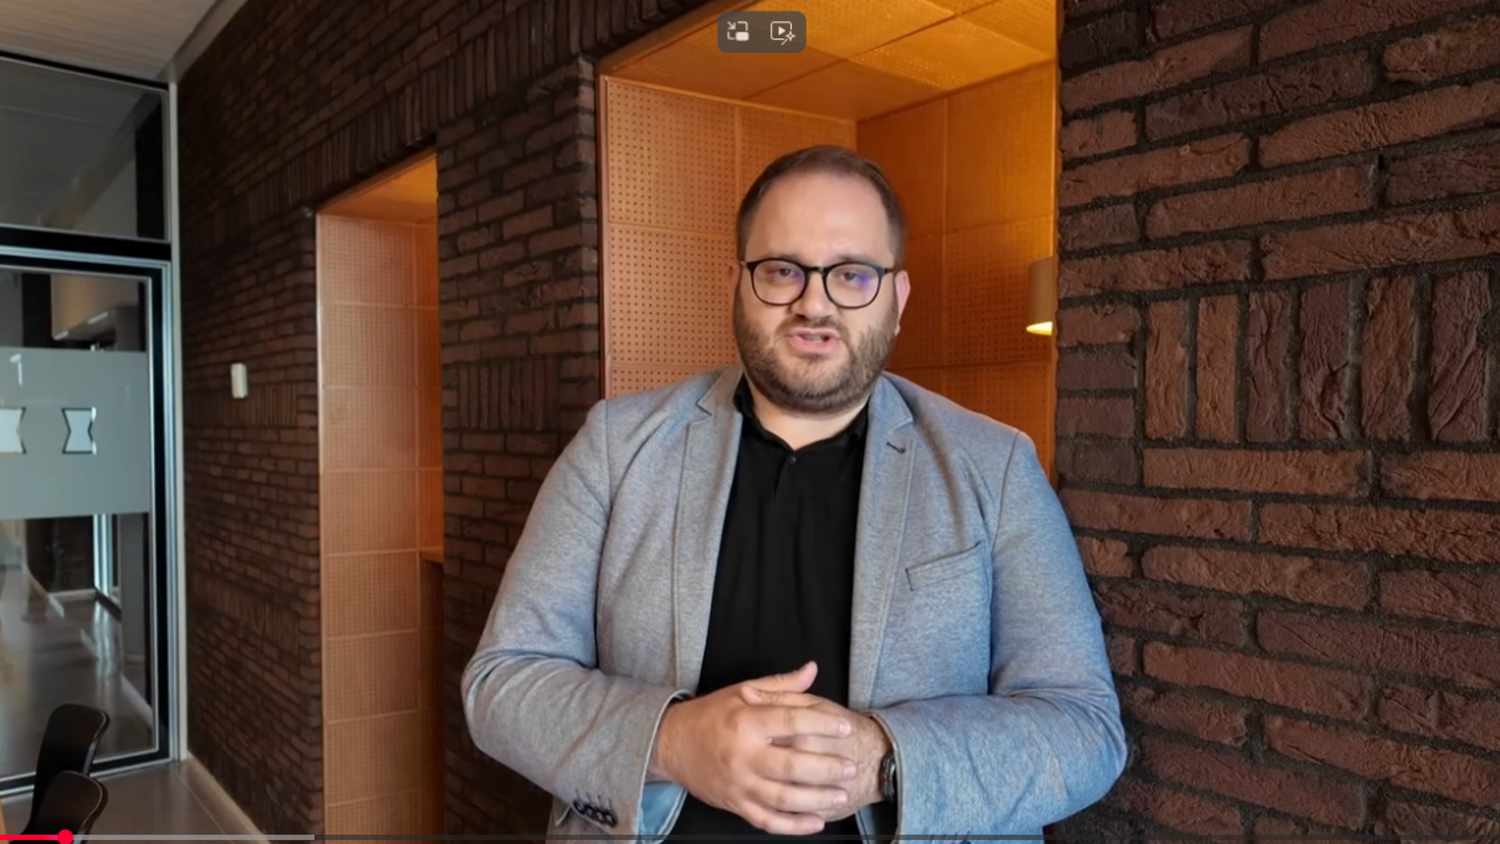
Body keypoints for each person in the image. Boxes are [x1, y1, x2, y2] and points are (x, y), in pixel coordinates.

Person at [461, 144, 1126, 841]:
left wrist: (887, 760)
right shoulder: (615, 447)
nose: (815, 303)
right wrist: (674, 742)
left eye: (853, 274)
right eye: (783, 270)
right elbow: (502, 683)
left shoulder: (996, 466)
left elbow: (1082, 729)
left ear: (897, 299)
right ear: (735, 284)